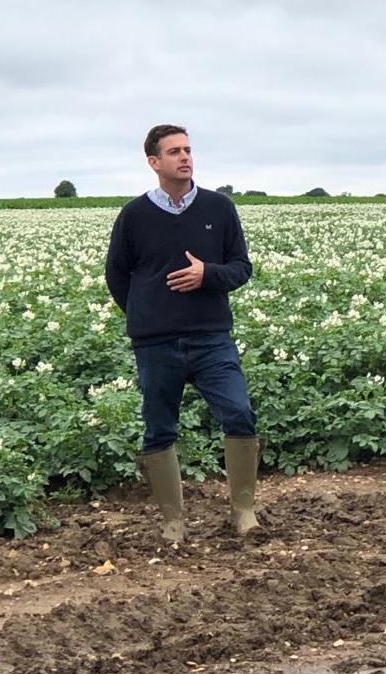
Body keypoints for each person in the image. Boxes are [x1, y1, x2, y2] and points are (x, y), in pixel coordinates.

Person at [105, 124, 262, 541]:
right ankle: (173, 522)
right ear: (154, 162)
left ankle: (243, 511)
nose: (185, 157)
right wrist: (147, 312)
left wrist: (206, 274)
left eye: (188, 149)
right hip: (155, 343)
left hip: (212, 338)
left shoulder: (219, 208)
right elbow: (117, 276)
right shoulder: (134, 216)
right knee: (159, 427)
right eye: (174, 151)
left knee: (239, 412)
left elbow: (242, 268)